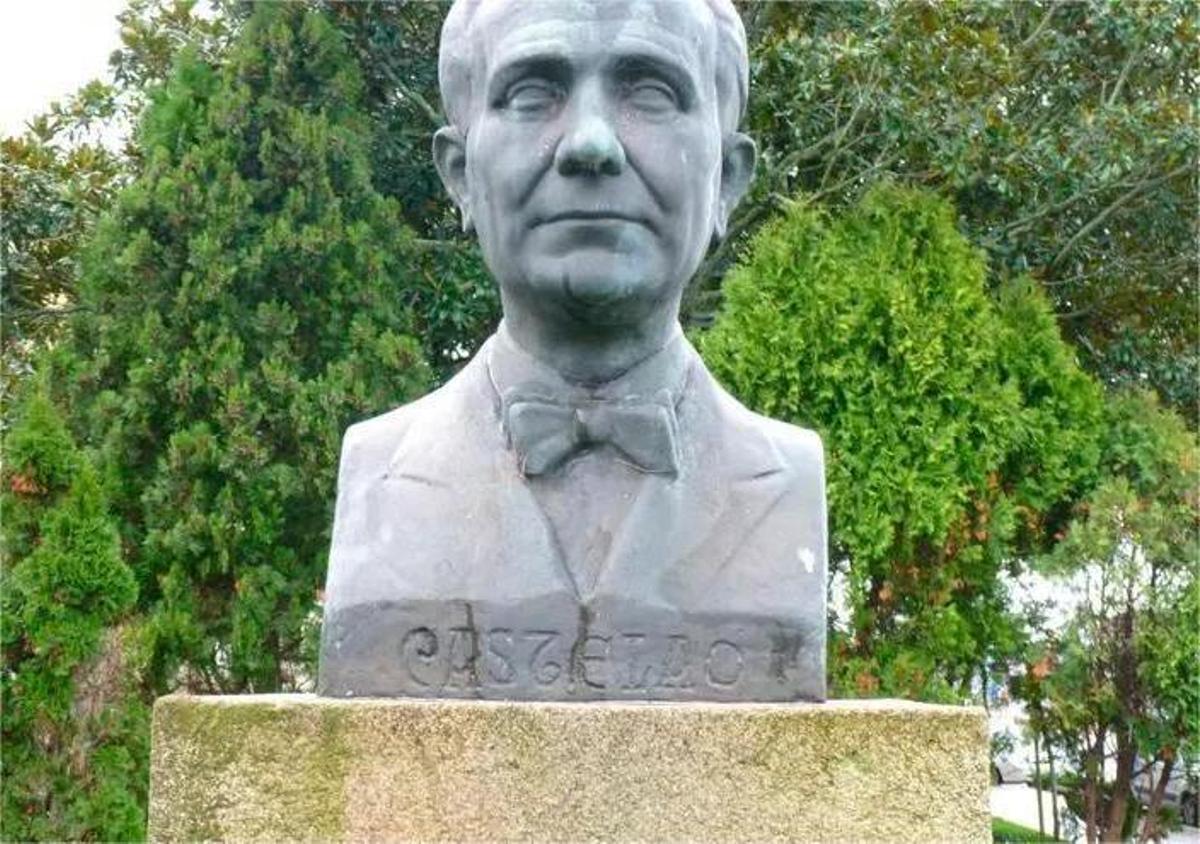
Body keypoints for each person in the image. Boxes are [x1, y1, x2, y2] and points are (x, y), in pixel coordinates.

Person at [318, 0, 826, 701]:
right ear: (460, 175)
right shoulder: (378, 478)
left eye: (651, 92)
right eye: (533, 94)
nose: (591, 143)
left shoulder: (789, 482)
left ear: (728, 180)